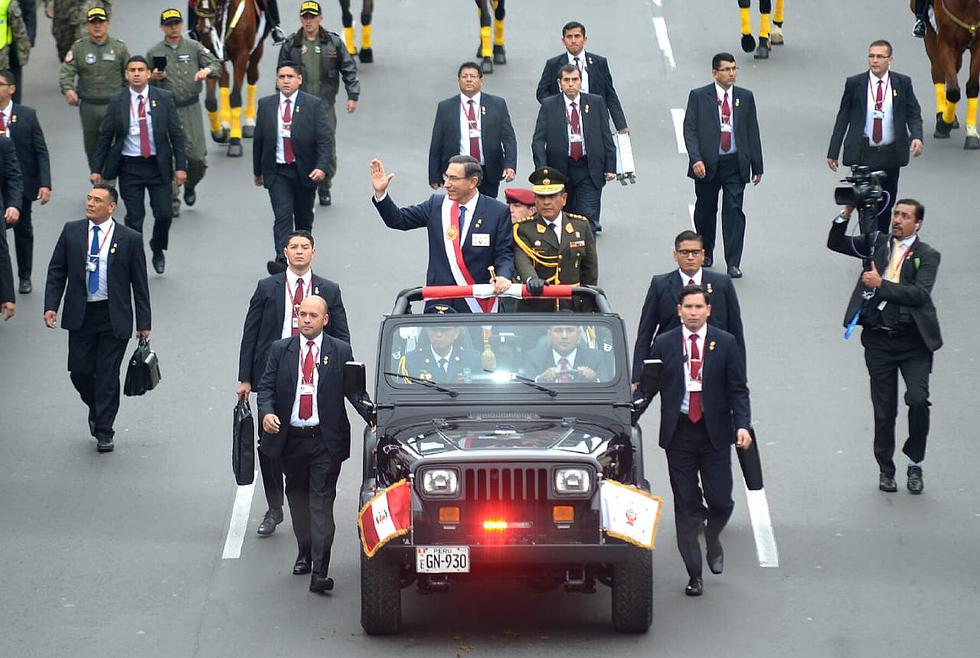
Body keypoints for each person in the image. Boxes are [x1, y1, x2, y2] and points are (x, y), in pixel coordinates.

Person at [257, 294, 373, 593]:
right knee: (297, 500)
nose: (306, 320)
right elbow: (266, 388)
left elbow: (355, 392)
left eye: (312, 315)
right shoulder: (280, 350)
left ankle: (320, 571)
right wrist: (267, 412)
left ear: (325, 320)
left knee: (321, 503)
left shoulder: (340, 350)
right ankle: (305, 551)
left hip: (324, 441)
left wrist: (375, 417)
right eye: (302, 314)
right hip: (291, 440)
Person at [237, 230, 350, 537]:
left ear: (313, 252)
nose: (299, 252)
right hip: (275, 373)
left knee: (307, 440)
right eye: (293, 247)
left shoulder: (329, 289)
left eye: (305, 247)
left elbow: (341, 336)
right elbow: (251, 332)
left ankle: (306, 503)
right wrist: (245, 378)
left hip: (312, 371)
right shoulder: (267, 287)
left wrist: (339, 375)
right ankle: (274, 507)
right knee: (270, 443)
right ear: (284, 252)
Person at [826, 200, 941, 494]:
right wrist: (847, 211)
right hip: (879, 341)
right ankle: (885, 469)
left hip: (914, 342)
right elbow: (836, 242)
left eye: (905, 216)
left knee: (918, 400)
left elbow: (918, 294)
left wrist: (879, 284)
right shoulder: (877, 244)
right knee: (884, 410)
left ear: (918, 224)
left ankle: (915, 462)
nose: (898, 220)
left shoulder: (927, 255)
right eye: (896, 215)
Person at [647, 285, 751, 597]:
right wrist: (629, 416)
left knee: (721, 501)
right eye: (687, 307)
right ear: (678, 311)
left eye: (698, 307)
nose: (693, 313)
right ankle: (694, 574)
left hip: (714, 431)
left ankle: (714, 538)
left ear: (708, 310)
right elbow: (649, 386)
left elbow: (738, 389)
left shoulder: (726, 343)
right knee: (685, 506)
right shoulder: (664, 343)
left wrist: (743, 425)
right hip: (679, 432)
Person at [43, 183, 151, 453]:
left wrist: (144, 324)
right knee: (79, 372)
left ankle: (105, 430)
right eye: (89, 199)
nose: (90, 203)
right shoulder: (72, 231)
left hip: (113, 317)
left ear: (111, 207)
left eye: (97, 200)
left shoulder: (130, 239)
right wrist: (51, 306)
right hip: (81, 314)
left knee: (107, 374)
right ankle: (95, 407)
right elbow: (57, 270)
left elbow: (140, 285)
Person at [369, 155, 513, 313]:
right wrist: (381, 194)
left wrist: (503, 276)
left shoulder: (497, 212)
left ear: (473, 182)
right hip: (439, 301)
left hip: (476, 305)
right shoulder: (436, 206)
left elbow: (504, 253)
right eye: (446, 177)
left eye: (453, 178)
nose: (447, 184)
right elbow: (398, 220)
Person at [91, 55, 187, 276]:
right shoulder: (118, 101)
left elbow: (176, 134)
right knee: (134, 217)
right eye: (132, 70)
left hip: (158, 166)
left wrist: (180, 166)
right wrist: (97, 169)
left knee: (164, 214)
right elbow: (105, 136)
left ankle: (157, 246)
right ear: (126, 74)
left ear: (148, 73)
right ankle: (136, 260)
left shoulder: (163, 98)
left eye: (140, 70)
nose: (136, 74)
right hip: (129, 167)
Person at [827, 40, 924, 235]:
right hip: (864, 154)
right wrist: (833, 151)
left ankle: (880, 249)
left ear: (890, 60)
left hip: (890, 154)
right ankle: (868, 256)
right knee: (865, 206)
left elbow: (913, 113)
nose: (875, 60)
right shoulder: (855, 83)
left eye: (880, 56)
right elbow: (843, 116)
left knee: (886, 204)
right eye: (871, 56)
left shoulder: (902, 83)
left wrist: (916, 136)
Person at [683, 52, 763, 278]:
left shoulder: (745, 97)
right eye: (727, 69)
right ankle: (706, 251)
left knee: (734, 211)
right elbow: (689, 129)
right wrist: (695, 158)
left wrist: (757, 165)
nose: (731, 73)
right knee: (706, 210)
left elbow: (752, 131)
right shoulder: (699, 96)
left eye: (734, 69)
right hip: (707, 163)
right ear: (715, 73)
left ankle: (733, 262)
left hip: (735, 163)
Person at [632, 230, 744, 384]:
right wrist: (638, 377)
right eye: (685, 252)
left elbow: (735, 332)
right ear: (675, 255)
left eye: (695, 252)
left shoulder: (722, 284)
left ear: (703, 254)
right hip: (673, 366)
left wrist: (739, 376)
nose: (690, 257)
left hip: (713, 363)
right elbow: (645, 332)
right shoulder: (660, 285)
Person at [278, 1, 359, 208]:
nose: (308, 21)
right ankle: (303, 186)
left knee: (327, 146)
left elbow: (348, 68)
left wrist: (353, 95)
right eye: (305, 17)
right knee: (299, 146)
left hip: (324, 106)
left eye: (312, 17)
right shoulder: (291, 44)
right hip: (299, 107)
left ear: (320, 19)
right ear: (301, 19)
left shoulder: (333, 43)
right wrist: (279, 103)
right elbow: (282, 76)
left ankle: (324, 185)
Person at [253, 61, 331, 275]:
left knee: (304, 218)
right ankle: (282, 259)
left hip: (304, 171)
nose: (286, 81)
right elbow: (258, 139)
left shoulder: (313, 105)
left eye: (290, 76)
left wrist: (322, 167)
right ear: (277, 81)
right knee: (283, 214)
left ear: (299, 79)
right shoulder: (266, 104)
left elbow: (324, 140)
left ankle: (302, 258)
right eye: (281, 77)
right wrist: (257, 171)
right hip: (277, 171)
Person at [147, 8, 220, 219]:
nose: (173, 28)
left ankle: (190, 184)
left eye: (176, 23)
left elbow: (215, 63)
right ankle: (172, 199)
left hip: (190, 108)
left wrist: (207, 71)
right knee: (168, 156)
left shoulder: (194, 47)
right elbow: (139, 79)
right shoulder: (154, 52)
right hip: (165, 109)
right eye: (169, 24)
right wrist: (153, 76)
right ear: (162, 27)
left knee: (197, 158)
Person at [531, 64, 616, 234]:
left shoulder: (595, 102)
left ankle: (585, 253)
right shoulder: (549, 105)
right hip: (560, 169)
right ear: (559, 83)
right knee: (563, 219)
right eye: (567, 80)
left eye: (575, 80)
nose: (571, 84)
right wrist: (542, 170)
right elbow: (538, 141)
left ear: (581, 82)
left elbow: (606, 136)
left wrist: (610, 167)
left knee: (586, 220)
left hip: (589, 168)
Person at [428, 61, 516, 199]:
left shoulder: (497, 104)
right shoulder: (446, 107)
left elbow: (508, 138)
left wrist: (510, 165)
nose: (469, 79)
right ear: (459, 81)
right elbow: (437, 142)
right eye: (465, 76)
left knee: (487, 210)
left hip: (488, 170)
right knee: (460, 209)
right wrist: (434, 175)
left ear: (481, 81)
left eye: (473, 76)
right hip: (458, 170)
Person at [513, 166, 597, 312]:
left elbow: (590, 270)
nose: (546, 202)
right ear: (534, 200)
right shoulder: (524, 228)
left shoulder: (580, 226)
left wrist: (588, 305)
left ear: (563, 199)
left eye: (552, 197)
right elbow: (522, 260)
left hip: (572, 304)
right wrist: (531, 279)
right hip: (538, 305)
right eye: (541, 197)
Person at [58, 6, 128, 172]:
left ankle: (109, 184)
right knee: (92, 147)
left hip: (113, 106)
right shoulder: (79, 48)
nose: (97, 26)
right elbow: (66, 72)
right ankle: (98, 177)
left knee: (113, 145)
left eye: (101, 22)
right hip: (89, 106)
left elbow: (130, 74)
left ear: (107, 24)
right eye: (93, 22)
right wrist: (68, 89)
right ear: (88, 26)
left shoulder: (119, 48)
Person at [0, 69, 50, 296]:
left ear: (12, 89)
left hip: (21, 184)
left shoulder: (27, 115)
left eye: (1, 84)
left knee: (22, 230)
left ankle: (25, 275)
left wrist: (44, 183)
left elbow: (41, 151)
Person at [535, 21, 628, 134]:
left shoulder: (599, 63)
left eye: (577, 36)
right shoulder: (553, 64)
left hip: (595, 121)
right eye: (569, 37)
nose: (573, 41)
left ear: (585, 39)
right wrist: (558, 106)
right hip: (565, 122)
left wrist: (621, 126)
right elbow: (541, 92)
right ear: (563, 41)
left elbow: (610, 94)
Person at [401, 324, 481, 383]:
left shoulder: (472, 359)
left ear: (456, 333)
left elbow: (481, 392)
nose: (439, 335)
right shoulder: (412, 360)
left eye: (444, 330)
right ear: (427, 332)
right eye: (434, 330)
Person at [527, 323, 605, 383]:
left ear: (579, 334)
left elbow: (609, 393)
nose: (564, 336)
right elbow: (524, 389)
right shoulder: (533, 357)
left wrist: (595, 379)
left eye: (570, 330)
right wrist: (540, 379)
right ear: (550, 334)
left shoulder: (596, 357)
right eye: (558, 330)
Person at [45, 0, 111, 62]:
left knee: (87, 49)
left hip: (88, 10)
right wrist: (49, 3)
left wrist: (106, 13)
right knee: (65, 51)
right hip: (63, 12)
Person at [0, 0, 30, 102]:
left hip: (4, 56)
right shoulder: (7, 3)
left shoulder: (6, 3)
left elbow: (19, 30)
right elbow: (19, 31)